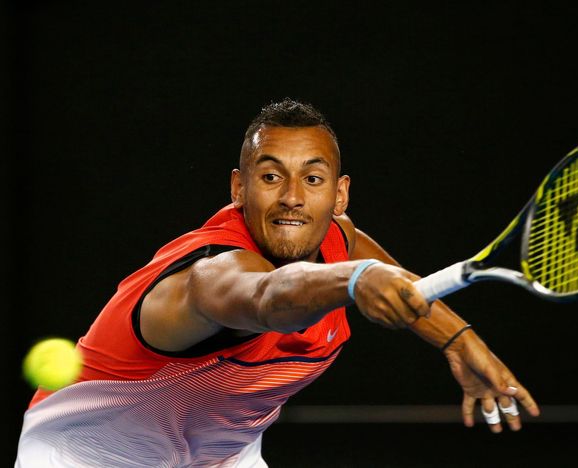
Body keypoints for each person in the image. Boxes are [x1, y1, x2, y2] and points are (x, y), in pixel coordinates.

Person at [15, 98, 540, 467]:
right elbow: (270, 297)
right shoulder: (209, 276)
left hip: (221, 459)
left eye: (312, 179)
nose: (292, 196)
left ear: (339, 196)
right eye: (271, 176)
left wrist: (457, 338)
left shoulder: (338, 239)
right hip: (85, 458)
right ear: (239, 188)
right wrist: (358, 280)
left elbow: (388, 276)